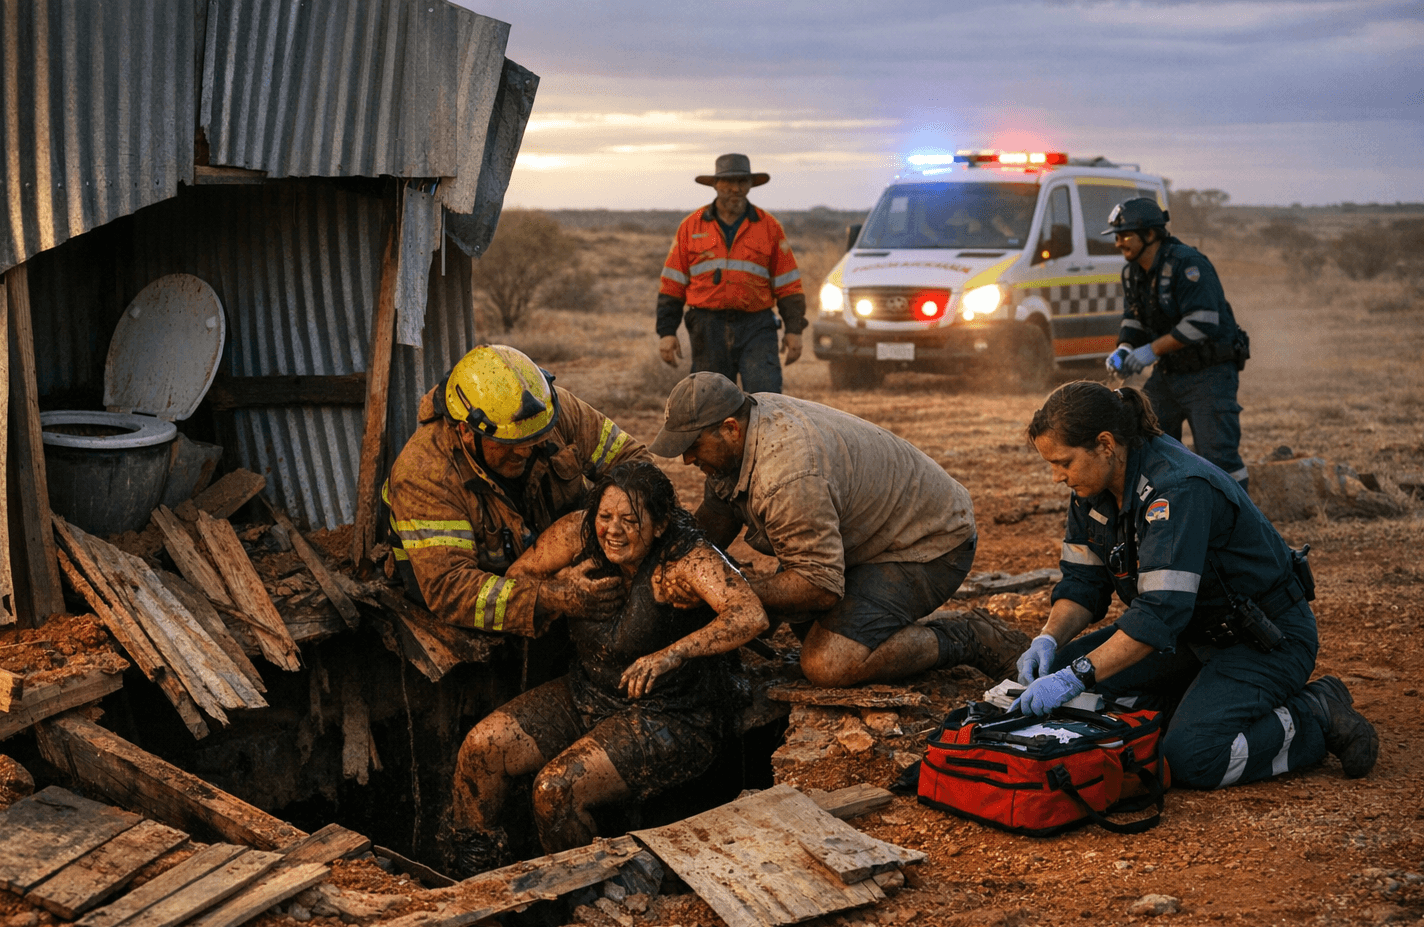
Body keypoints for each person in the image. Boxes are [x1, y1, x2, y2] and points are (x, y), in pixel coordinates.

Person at [1013, 381, 1378, 789]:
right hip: (1190, 637)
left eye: (1063, 462)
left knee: (1192, 757)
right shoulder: (1093, 488)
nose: (1057, 477)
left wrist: (1075, 676)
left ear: (1105, 444)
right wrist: (1047, 639)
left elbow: (1159, 614)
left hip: (1263, 640)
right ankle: (1195, 707)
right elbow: (1083, 584)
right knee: (1060, 677)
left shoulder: (1176, 488)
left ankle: (1314, 713)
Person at [447, 461, 768, 873]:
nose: (613, 530)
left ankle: (586, 892)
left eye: (630, 520)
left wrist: (674, 653)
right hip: (589, 693)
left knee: (555, 789)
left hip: (671, 713)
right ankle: (475, 872)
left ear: (660, 524)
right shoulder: (578, 534)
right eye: (605, 516)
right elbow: (517, 576)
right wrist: (561, 587)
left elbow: (749, 614)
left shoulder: (683, 558)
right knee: (481, 747)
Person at [649, 372, 1029, 689]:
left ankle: (965, 636)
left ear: (730, 429)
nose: (686, 459)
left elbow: (819, 587)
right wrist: (673, 564)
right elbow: (717, 516)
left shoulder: (788, 475)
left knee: (828, 662)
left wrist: (731, 593)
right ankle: (890, 625)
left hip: (930, 545)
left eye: (693, 445)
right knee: (798, 625)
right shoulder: (746, 422)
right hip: (865, 535)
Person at [382, 344, 650, 636]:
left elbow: (635, 462)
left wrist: (618, 517)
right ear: (466, 431)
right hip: (468, 596)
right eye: (511, 444)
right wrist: (551, 596)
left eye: (535, 438)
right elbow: (451, 589)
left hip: (549, 564)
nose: (525, 451)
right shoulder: (423, 473)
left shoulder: (545, 413)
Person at [1103, 197, 1251, 488]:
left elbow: (1202, 321)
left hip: (1209, 374)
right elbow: (1133, 319)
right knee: (1147, 444)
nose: (1119, 243)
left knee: (1218, 457)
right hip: (1169, 373)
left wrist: (1151, 351)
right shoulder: (1132, 273)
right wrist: (1125, 348)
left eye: (1126, 235)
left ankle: (1238, 516)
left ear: (1150, 234)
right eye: (1117, 236)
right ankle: (1170, 510)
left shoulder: (1188, 264)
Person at [656, 154, 807, 394]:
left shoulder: (769, 227)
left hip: (757, 326)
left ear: (750, 185)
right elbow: (672, 285)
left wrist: (794, 330)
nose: (736, 189)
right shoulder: (690, 226)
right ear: (715, 184)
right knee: (710, 401)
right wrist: (666, 332)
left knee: (765, 398)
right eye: (728, 182)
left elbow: (789, 285)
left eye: (742, 181)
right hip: (707, 327)